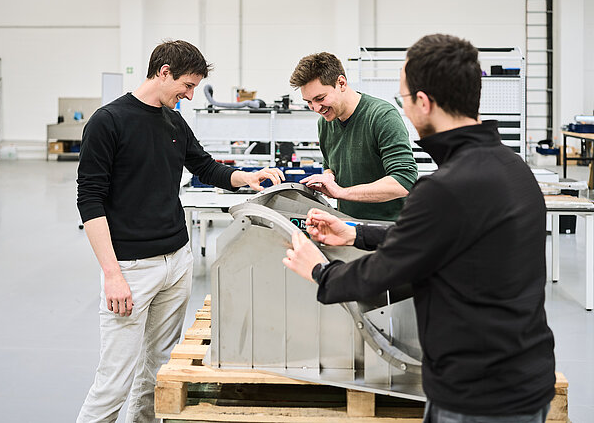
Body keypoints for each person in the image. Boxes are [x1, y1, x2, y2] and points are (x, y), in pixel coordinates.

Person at [283, 34, 555, 422]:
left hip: (476, 397)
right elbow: (438, 239)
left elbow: (383, 270)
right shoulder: (513, 169)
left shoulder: (446, 188)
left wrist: (319, 271)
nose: (405, 111)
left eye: (405, 99)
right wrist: (356, 233)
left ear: (423, 102)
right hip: (526, 379)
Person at [76, 40, 284, 422]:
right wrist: (112, 274)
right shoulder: (108, 122)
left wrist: (247, 177)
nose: (189, 95)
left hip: (176, 262)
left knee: (157, 373)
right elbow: (90, 201)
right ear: (164, 72)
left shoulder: (173, 122)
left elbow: (205, 167)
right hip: (132, 270)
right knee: (113, 383)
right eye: (187, 86)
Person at [289, 52, 417, 221]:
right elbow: (330, 166)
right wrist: (328, 176)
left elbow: (404, 181)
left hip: (390, 228)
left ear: (341, 83)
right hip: (348, 225)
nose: (316, 108)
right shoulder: (325, 123)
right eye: (309, 102)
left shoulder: (382, 116)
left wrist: (341, 192)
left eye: (320, 98)